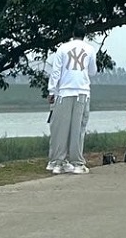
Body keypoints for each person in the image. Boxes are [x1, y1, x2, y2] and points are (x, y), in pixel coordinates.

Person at [44, 37, 97, 175]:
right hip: (82, 92)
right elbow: (92, 71)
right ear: (84, 35)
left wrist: (52, 91)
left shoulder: (62, 48)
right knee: (78, 129)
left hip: (64, 92)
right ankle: (77, 163)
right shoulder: (90, 49)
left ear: (73, 35)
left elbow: (56, 72)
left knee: (61, 129)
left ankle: (58, 162)